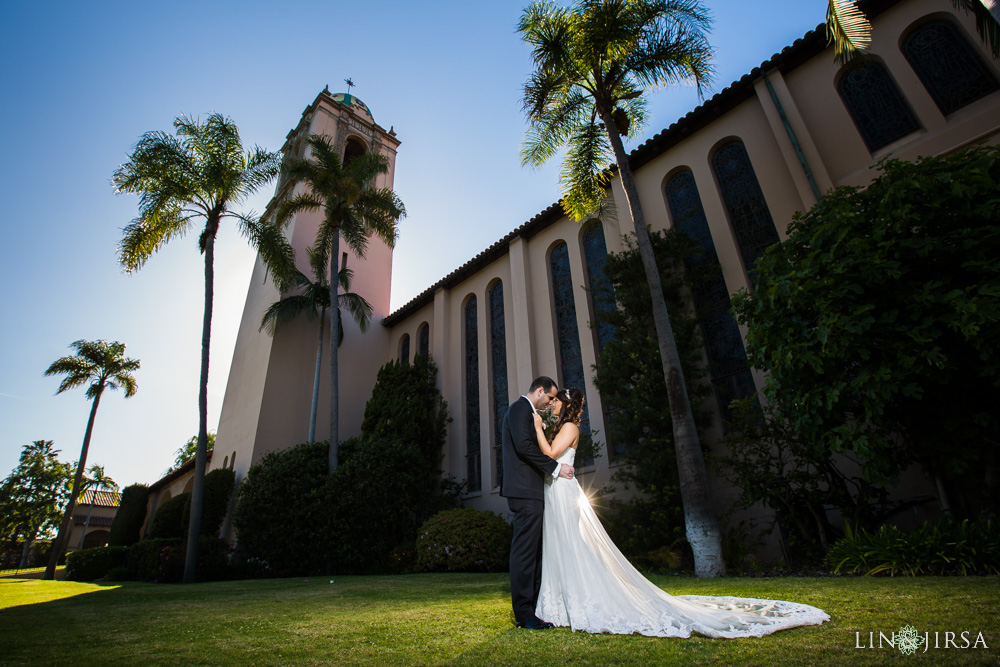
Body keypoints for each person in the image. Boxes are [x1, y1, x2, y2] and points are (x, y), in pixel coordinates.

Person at [530, 388, 831, 638]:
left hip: (563, 492)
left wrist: (536, 429)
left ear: (567, 404)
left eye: (555, 400)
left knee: (572, 544)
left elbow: (550, 454)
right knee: (560, 544)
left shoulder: (570, 427)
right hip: (556, 491)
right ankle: (560, 603)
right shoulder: (561, 426)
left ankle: (582, 601)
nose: (550, 403)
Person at [500, 376, 575, 630]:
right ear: (540, 391)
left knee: (534, 551)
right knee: (524, 552)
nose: (551, 403)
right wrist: (555, 468)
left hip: (529, 490)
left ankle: (532, 607)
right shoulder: (520, 408)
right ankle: (524, 614)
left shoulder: (526, 412)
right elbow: (524, 448)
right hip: (524, 491)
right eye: (551, 398)